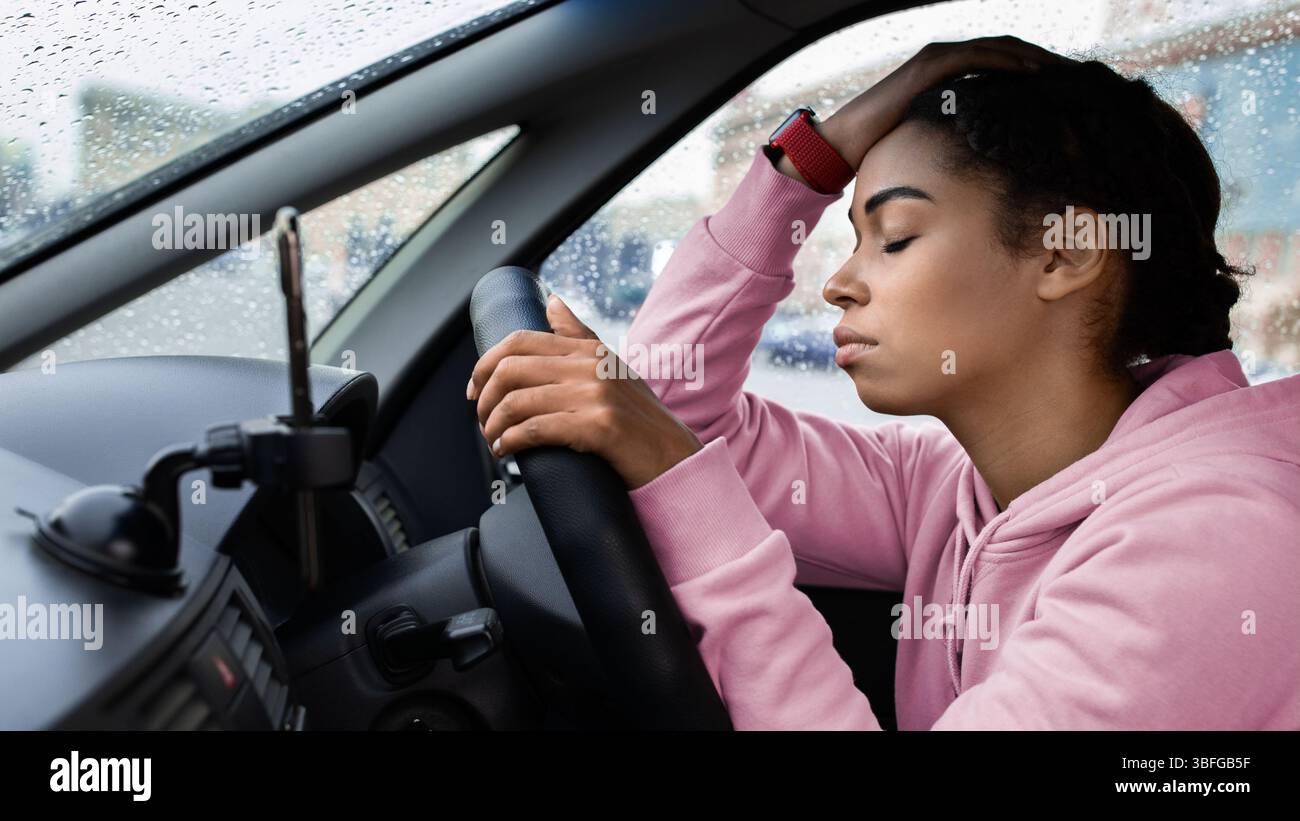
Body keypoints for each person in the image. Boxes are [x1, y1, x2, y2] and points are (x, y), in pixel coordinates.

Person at [466, 37, 1300, 729]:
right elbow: (661, 408)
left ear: (1064, 252)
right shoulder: (954, 486)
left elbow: (665, 443)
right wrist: (809, 159)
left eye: (894, 236)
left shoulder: (1213, 538)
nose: (839, 284)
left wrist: (666, 460)